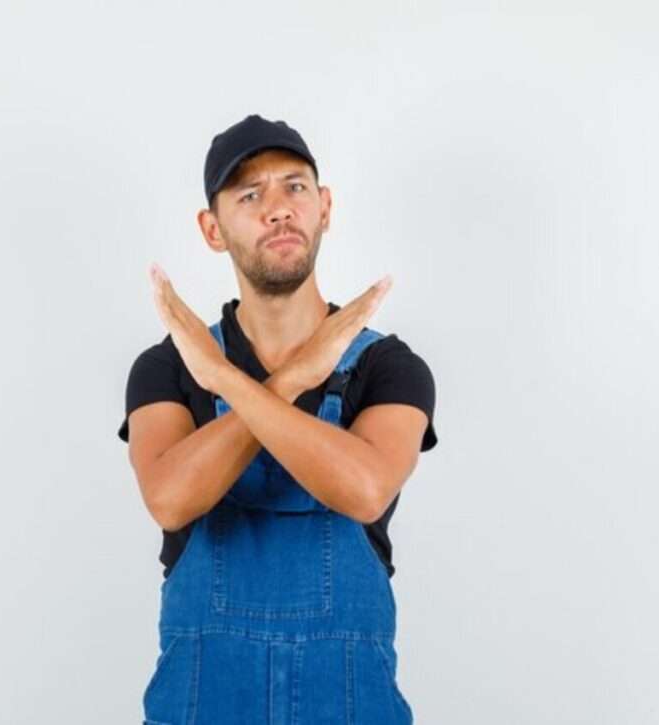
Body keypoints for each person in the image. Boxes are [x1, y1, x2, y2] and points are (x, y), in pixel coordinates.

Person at [117, 113, 438, 724]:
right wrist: (290, 378)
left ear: (323, 207)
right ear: (212, 229)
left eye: (294, 187)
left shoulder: (388, 366)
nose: (278, 208)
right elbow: (171, 498)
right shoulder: (170, 367)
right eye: (249, 195)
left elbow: (365, 489)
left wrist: (226, 382)